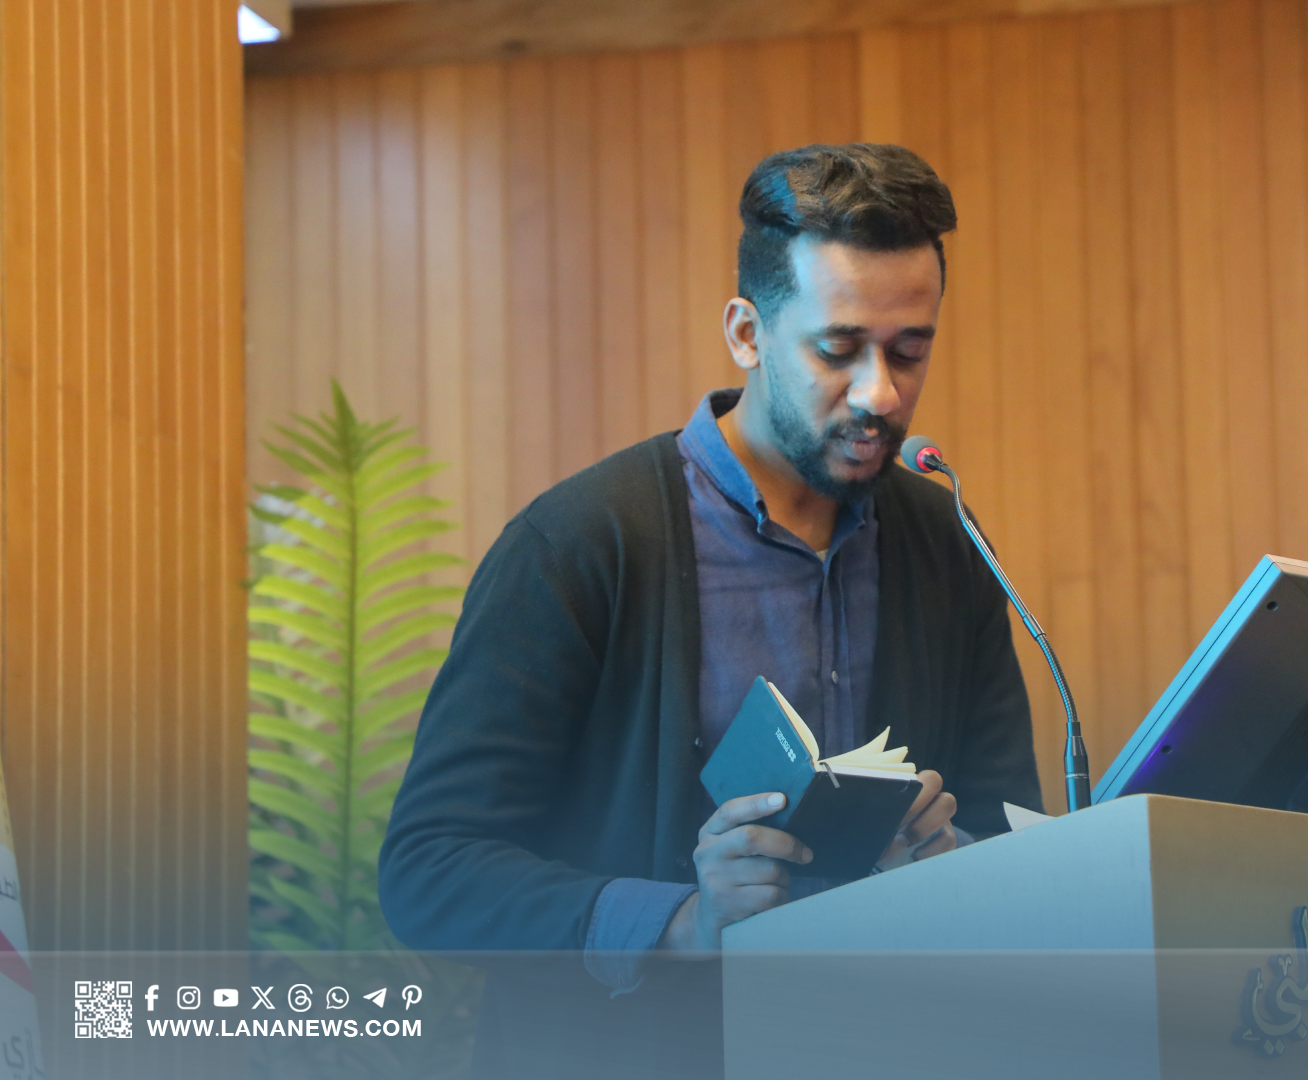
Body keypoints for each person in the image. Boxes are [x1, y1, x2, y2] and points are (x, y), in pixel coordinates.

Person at [378, 142, 1044, 1076]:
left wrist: (954, 859)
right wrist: (683, 924)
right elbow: (431, 870)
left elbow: (1012, 826)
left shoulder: (944, 541)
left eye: (909, 350)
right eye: (838, 349)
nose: (881, 394)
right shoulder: (580, 544)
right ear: (746, 333)